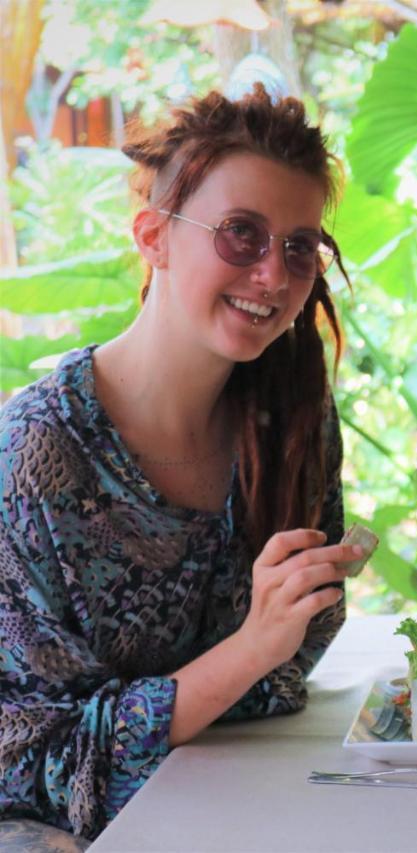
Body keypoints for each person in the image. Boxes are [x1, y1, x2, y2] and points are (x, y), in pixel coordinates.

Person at [0, 85, 362, 843]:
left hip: (239, 802)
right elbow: (33, 757)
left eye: (300, 246)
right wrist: (252, 647)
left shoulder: (290, 417)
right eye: (240, 234)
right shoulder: (34, 456)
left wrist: (303, 596)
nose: (274, 274)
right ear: (153, 235)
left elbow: (294, 661)